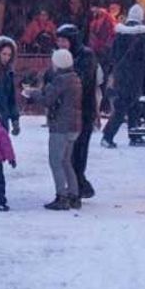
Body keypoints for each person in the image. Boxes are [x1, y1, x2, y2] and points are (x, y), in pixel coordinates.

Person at [23, 49, 82, 210]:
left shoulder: (60, 80)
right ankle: (74, 195)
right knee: (66, 161)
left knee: (56, 161)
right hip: (74, 126)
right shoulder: (75, 78)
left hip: (60, 127)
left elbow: (47, 101)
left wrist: (32, 94)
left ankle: (61, 197)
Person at [56, 24, 98, 199]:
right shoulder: (63, 56)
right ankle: (78, 184)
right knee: (68, 151)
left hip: (84, 109)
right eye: (59, 40)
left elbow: (82, 82)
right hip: (68, 110)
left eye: (64, 40)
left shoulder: (85, 56)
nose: (61, 44)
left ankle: (79, 184)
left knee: (78, 149)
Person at [102, 5, 145, 148]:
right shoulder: (142, 36)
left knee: (124, 106)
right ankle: (110, 135)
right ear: (141, 18)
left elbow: (112, 55)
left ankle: (132, 136)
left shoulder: (119, 34)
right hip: (136, 76)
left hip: (121, 75)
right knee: (131, 107)